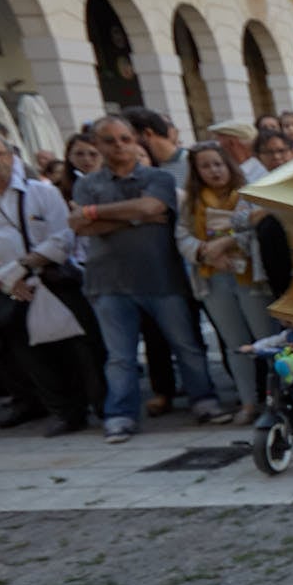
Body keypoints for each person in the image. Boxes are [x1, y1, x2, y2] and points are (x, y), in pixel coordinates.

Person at [70, 114, 223, 440]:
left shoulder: (159, 178)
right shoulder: (87, 184)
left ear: (135, 140)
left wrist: (96, 212)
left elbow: (152, 207)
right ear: (97, 145)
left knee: (186, 345)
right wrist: (134, 216)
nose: (119, 146)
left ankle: (204, 400)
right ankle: (121, 415)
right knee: (120, 356)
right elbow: (80, 226)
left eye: (125, 139)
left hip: (161, 276)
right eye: (110, 141)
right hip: (107, 281)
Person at [0, 132, 101, 435]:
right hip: (6, 287)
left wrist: (25, 265)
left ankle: (100, 405)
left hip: (51, 279)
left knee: (81, 348)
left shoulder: (40, 193)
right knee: (30, 353)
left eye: (0, 154)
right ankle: (63, 412)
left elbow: (64, 234)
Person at [175, 142, 277, 424]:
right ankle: (248, 402)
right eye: (205, 166)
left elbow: (259, 227)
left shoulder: (248, 194)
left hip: (251, 278)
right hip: (214, 279)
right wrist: (206, 252)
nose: (214, 171)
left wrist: (228, 241)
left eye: (218, 164)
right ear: (196, 171)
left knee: (267, 341)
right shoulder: (191, 203)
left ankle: (278, 400)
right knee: (236, 345)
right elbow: (182, 237)